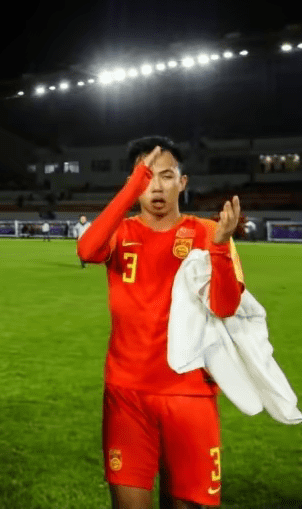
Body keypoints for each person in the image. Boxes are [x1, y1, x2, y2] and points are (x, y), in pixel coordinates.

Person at [77, 136, 244, 509]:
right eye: (146, 176)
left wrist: (220, 248)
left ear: (182, 182)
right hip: (127, 394)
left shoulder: (209, 232)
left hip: (190, 395)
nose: (155, 186)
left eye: (166, 176)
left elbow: (226, 307)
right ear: (134, 182)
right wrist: (129, 189)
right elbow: (86, 250)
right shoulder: (120, 232)